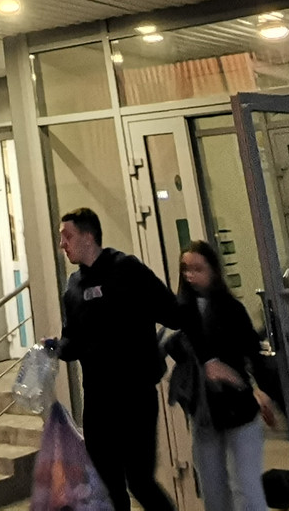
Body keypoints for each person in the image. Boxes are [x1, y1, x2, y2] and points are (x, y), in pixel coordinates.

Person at [43, 207, 181, 511]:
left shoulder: (126, 270)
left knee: (140, 481)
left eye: (67, 236)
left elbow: (171, 312)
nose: (62, 244)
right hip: (98, 401)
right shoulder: (73, 287)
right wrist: (55, 347)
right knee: (109, 487)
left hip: (135, 396)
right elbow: (73, 342)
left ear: (88, 236)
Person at [166, 241, 275, 511]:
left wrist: (263, 391)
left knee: (246, 488)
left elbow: (252, 353)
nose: (190, 275)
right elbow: (176, 348)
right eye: (186, 269)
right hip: (205, 412)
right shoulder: (182, 311)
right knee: (213, 490)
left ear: (213, 270)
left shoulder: (230, 309)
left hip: (238, 408)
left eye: (198, 269)